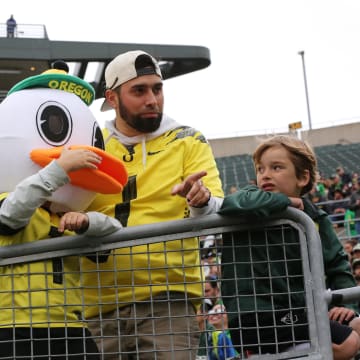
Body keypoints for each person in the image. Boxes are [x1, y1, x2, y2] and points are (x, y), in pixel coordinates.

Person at [82, 50, 224, 359]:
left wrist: (200, 200)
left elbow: (216, 205)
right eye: (139, 90)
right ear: (112, 97)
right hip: (98, 304)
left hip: (168, 301)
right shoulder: (91, 146)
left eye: (157, 89)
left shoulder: (188, 140)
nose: (152, 99)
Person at [218, 135, 360, 360]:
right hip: (257, 317)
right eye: (260, 169)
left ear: (303, 177)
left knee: (358, 325)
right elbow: (232, 204)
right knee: (348, 343)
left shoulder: (314, 218)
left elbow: (337, 265)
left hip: (296, 314)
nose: (265, 174)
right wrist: (284, 203)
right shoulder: (248, 199)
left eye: (276, 167)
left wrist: (343, 304)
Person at [0, 148, 124, 359]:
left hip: (71, 326)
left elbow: (115, 230)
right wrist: (59, 168)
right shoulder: (10, 203)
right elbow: (13, 212)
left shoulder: (69, 218)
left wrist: (87, 222)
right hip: (15, 326)